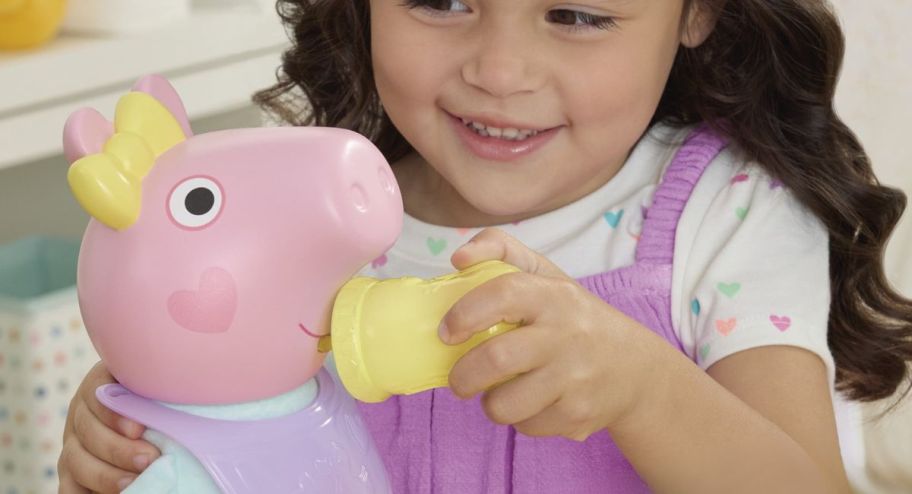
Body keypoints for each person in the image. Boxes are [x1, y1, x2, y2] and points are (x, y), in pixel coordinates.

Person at [58, 0, 912, 492]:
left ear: (696, 13)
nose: (500, 71)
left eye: (576, 14)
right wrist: (138, 440)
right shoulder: (305, 215)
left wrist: (643, 388)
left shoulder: (727, 212)